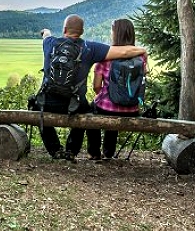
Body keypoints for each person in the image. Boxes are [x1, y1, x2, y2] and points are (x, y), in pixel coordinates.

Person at [36, 14, 147, 161]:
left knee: (36, 107)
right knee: (85, 111)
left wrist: (46, 32)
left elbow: (46, 35)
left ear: (64, 29)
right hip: (74, 104)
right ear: (82, 31)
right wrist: (143, 50)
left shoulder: (50, 43)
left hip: (48, 102)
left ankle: (55, 149)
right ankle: (71, 150)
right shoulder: (90, 47)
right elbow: (125, 52)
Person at [87, 18, 147, 160]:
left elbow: (96, 86)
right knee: (112, 111)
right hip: (132, 109)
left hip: (107, 108)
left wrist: (107, 96)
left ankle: (94, 152)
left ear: (115, 33)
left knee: (91, 111)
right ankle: (109, 152)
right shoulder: (141, 56)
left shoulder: (106, 56)